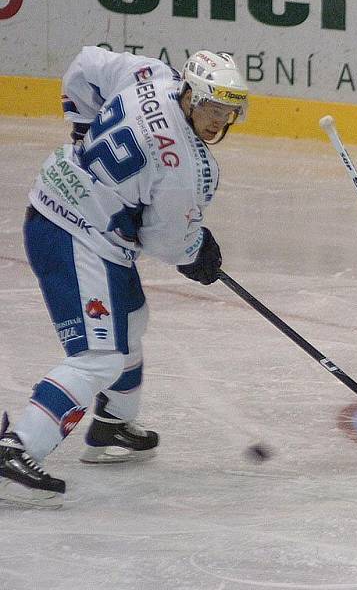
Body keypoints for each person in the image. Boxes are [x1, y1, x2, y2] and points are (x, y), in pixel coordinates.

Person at [0, 46, 249, 507]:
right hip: (76, 232)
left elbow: (85, 64)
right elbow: (166, 243)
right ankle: (18, 446)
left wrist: (81, 123)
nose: (218, 120)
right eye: (212, 107)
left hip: (69, 209)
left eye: (229, 111)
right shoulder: (190, 170)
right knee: (98, 357)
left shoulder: (150, 75)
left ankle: (112, 426)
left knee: (131, 321)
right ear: (191, 95)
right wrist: (198, 254)